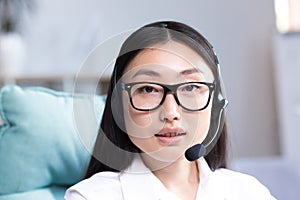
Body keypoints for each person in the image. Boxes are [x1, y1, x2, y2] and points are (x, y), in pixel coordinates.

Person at [65, 21, 275, 200]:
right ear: (119, 106)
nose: (171, 112)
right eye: (148, 89)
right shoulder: (92, 196)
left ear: (216, 102)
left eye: (190, 87)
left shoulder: (248, 192)